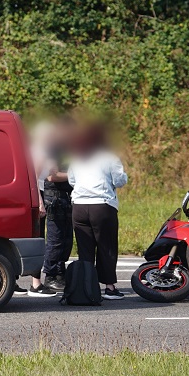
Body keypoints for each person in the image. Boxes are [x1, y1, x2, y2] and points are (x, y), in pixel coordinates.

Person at [68, 123, 128, 300]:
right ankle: (109, 287)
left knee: (85, 249)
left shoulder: (77, 157)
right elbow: (119, 180)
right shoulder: (109, 157)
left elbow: (72, 180)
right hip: (102, 205)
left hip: (78, 206)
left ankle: (88, 286)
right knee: (106, 247)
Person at [41, 117, 76, 292]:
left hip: (68, 196)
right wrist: (78, 175)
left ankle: (60, 273)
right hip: (55, 196)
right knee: (56, 239)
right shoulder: (54, 148)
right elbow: (51, 176)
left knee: (67, 239)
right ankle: (50, 275)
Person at [27, 121, 58, 297]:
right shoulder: (40, 151)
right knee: (38, 238)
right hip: (38, 193)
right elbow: (34, 177)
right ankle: (36, 284)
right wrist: (39, 201)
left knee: (34, 236)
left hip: (37, 192)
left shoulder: (35, 150)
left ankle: (28, 282)